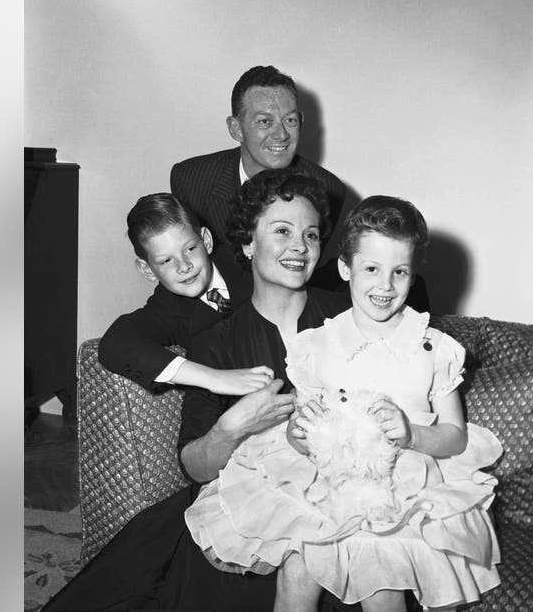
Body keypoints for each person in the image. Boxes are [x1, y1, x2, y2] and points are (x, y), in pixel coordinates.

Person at [43, 169, 352, 612]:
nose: (299, 246)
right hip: (246, 492)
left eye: (312, 233)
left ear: (209, 241)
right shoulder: (212, 337)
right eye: (282, 231)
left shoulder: (345, 316)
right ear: (248, 243)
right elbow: (192, 462)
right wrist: (229, 417)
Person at [184, 196, 504, 611]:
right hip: (325, 485)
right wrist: (299, 435)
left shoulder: (434, 349)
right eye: (371, 269)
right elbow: (302, 431)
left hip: (398, 493)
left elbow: (455, 437)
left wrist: (411, 434)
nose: (385, 286)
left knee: (382, 585)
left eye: (400, 272)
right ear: (345, 268)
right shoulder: (315, 346)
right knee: (297, 572)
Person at [170, 65, 347, 296]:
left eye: (290, 120)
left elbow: (303, 275)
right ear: (236, 129)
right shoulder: (191, 180)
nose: (281, 134)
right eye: (265, 122)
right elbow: (181, 270)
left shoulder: (327, 188)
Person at [97, 193, 274, 396]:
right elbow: (115, 343)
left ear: (206, 241)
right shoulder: (168, 308)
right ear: (147, 270)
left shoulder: (246, 259)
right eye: (166, 261)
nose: (184, 266)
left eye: (190, 249)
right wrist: (213, 378)